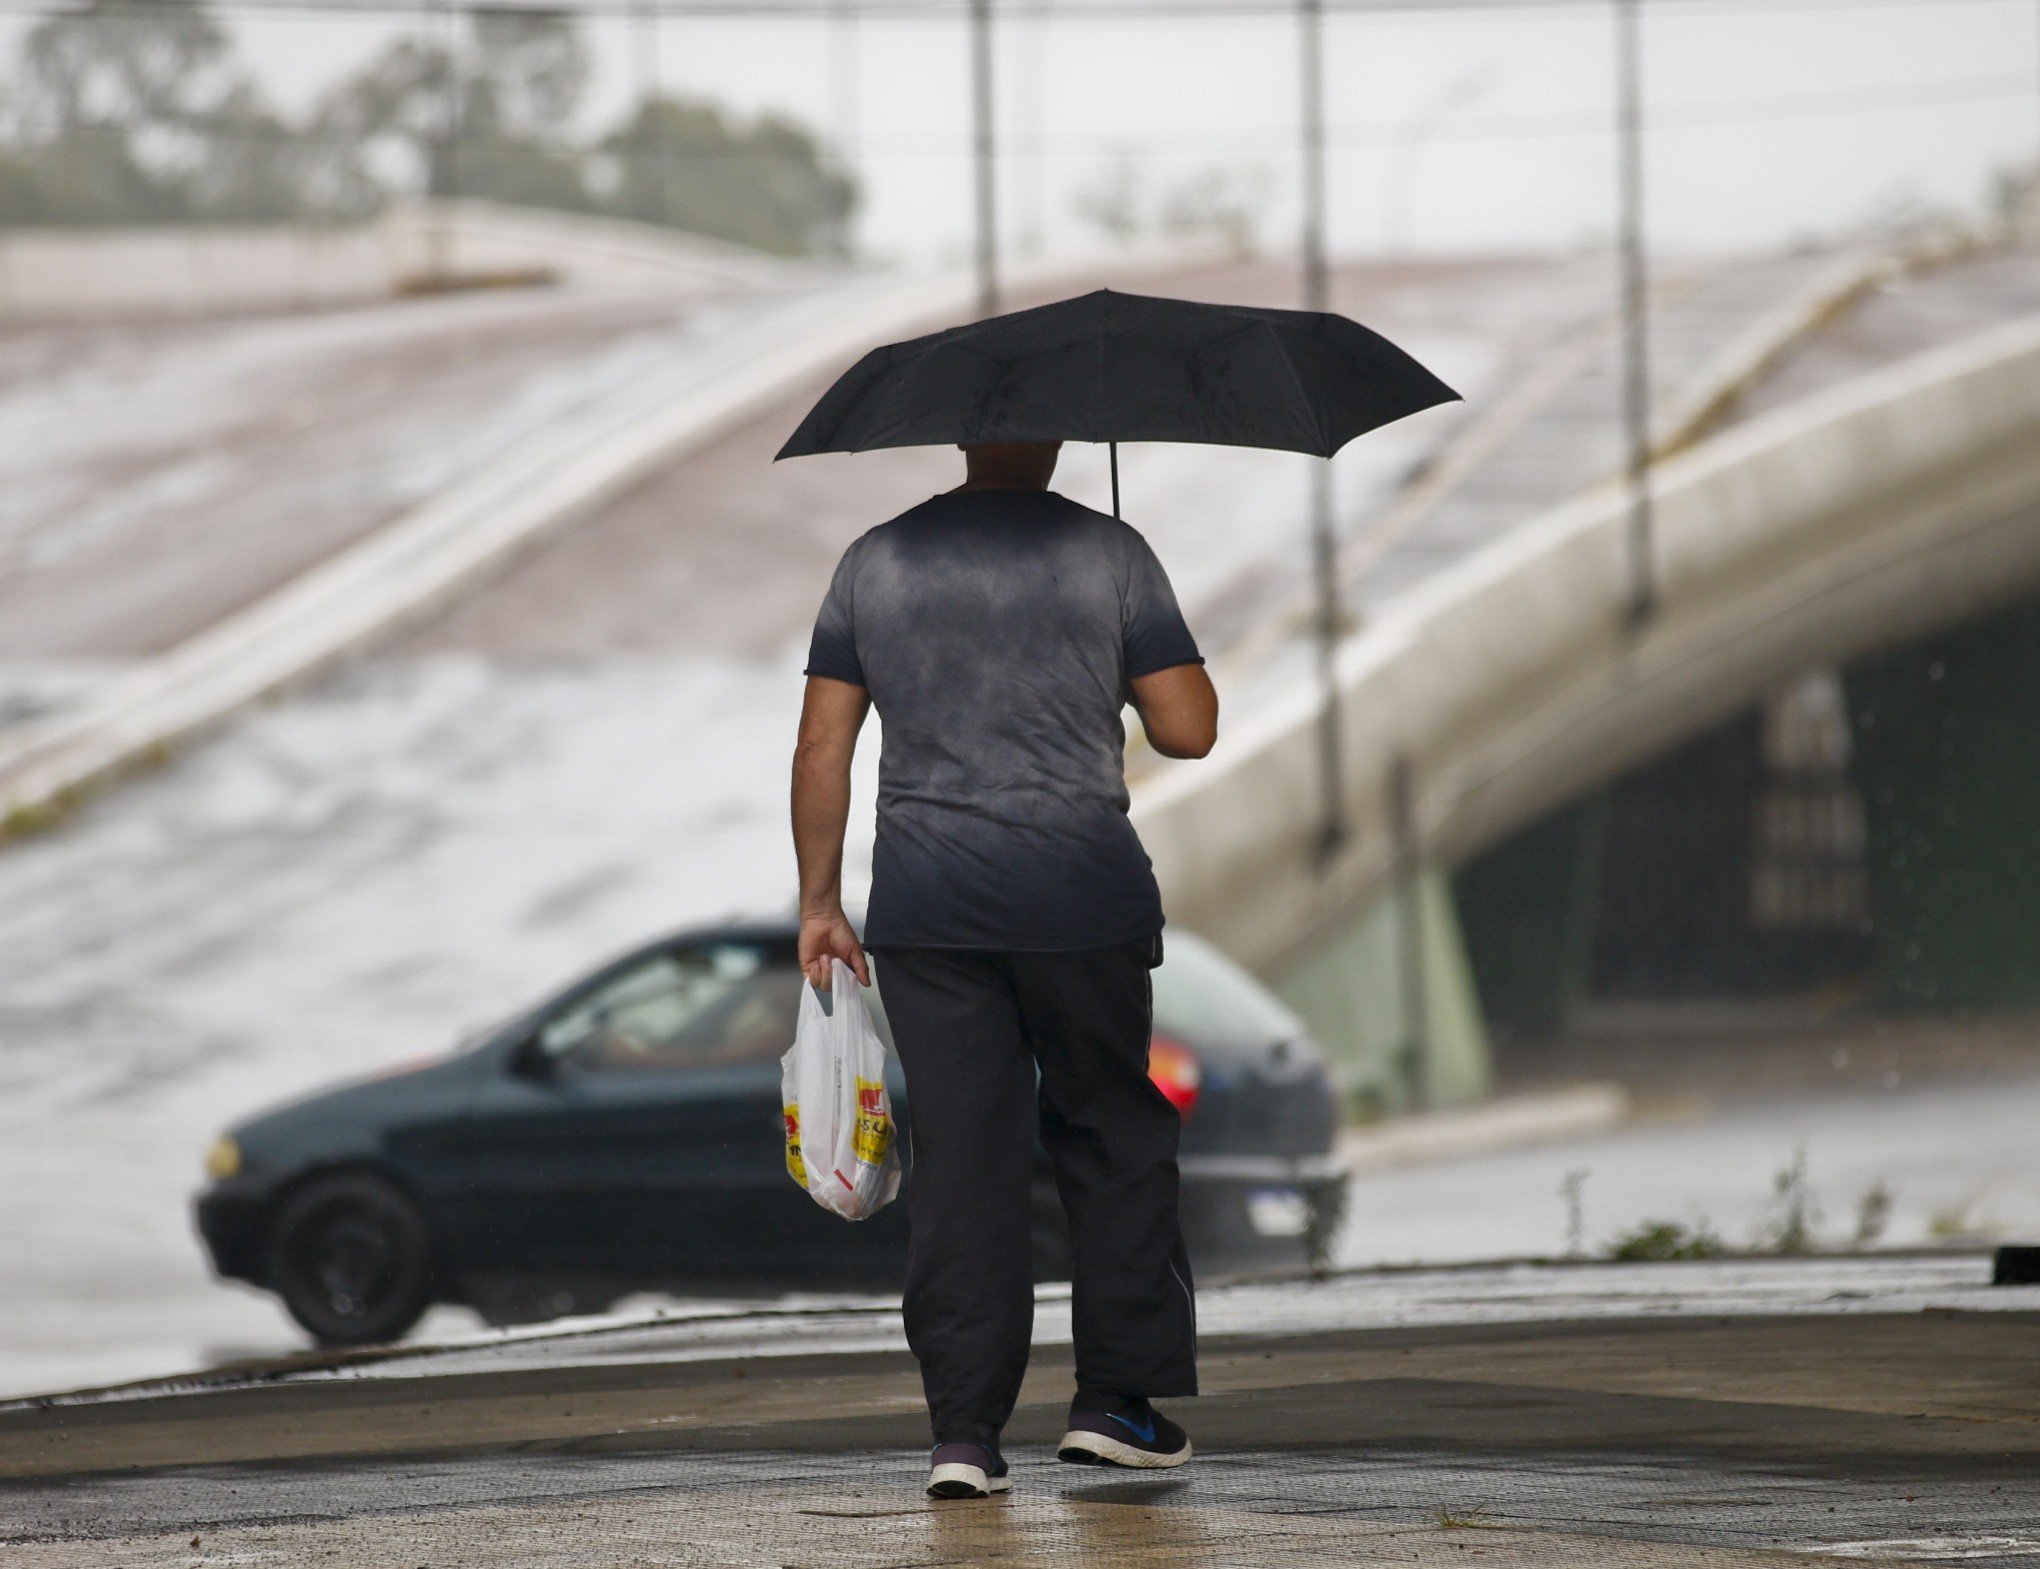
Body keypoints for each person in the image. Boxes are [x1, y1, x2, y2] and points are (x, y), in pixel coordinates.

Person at [789, 439, 1219, 1501]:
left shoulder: (874, 563)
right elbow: (1190, 729)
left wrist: (818, 902)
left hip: (931, 915)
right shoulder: (1111, 554)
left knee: (965, 1162)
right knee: (1111, 1134)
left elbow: (821, 748)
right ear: (1057, 441)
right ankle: (1116, 1404)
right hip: (1082, 903)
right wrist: (1109, 665)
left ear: (963, 441)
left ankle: (964, 1437)